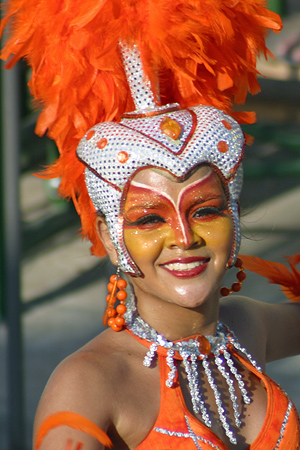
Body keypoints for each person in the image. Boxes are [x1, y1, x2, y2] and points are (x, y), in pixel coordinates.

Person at [1, 1, 300, 449]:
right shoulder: (88, 386)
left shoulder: (244, 328)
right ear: (107, 235)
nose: (184, 237)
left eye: (205, 210)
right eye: (148, 219)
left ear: (234, 216)